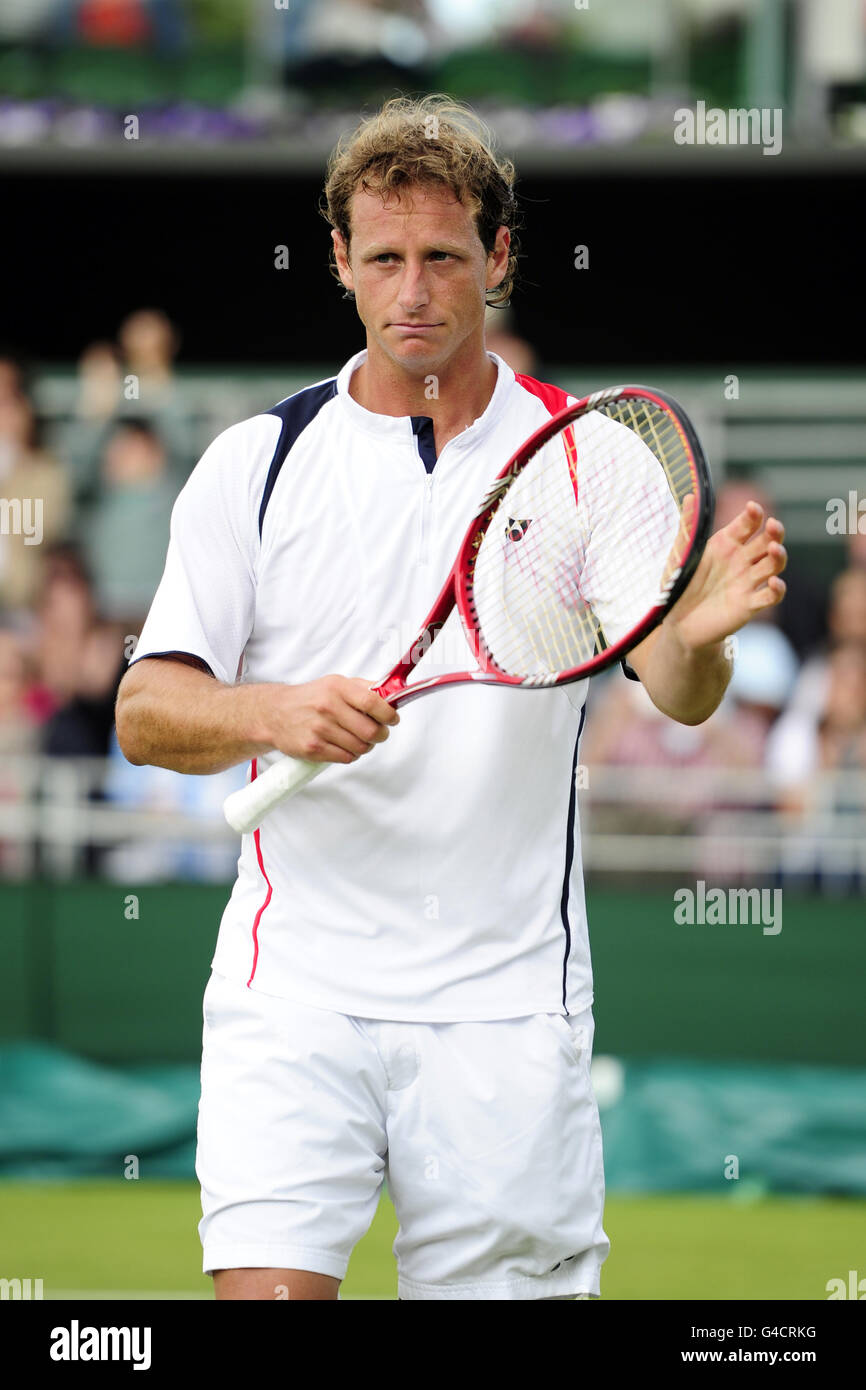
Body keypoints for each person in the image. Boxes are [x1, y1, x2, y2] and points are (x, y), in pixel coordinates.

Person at [115, 95, 787, 1302]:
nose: (413, 289)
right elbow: (147, 711)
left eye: (442, 256)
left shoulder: (593, 458)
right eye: (384, 258)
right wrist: (270, 713)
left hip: (504, 1013)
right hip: (292, 992)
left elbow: (678, 693)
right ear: (339, 263)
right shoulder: (255, 463)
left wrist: (695, 632)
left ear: (499, 258)